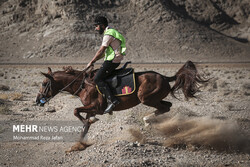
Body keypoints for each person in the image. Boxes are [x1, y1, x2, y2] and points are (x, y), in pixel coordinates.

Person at [87, 16, 126, 114]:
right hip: (113, 59)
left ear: (102, 25)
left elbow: (101, 50)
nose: (96, 28)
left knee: (97, 79)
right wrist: (94, 61)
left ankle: (113, 100)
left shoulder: (108, 34)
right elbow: (104, 53)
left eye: (96, 26)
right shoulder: (110, 32)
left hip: (112, 60)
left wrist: (91, 61)